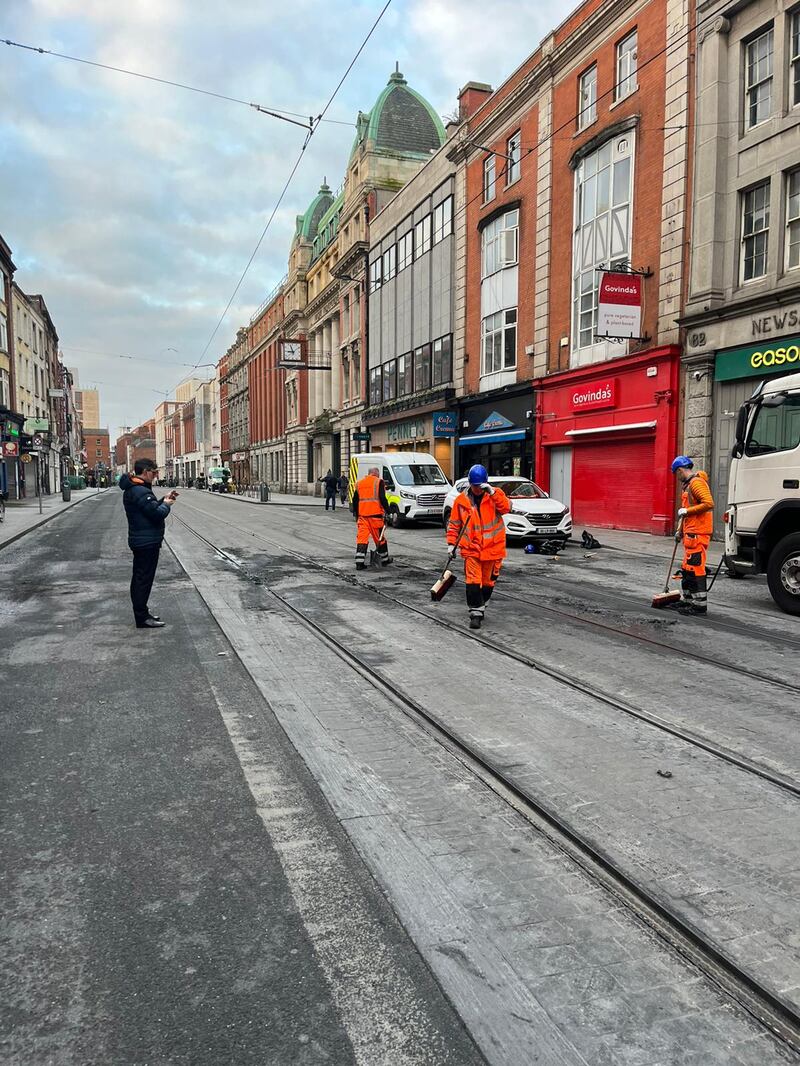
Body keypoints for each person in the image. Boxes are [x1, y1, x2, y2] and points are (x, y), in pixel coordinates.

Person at [446, 464, 511, 630]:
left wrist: (493, 492)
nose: (477, 489)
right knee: (473, 581)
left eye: (480, 486)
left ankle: (481, 605)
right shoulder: (461, 501)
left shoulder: (494, 495)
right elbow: (454, 524)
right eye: (475, 486)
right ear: (470, 484)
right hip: (471, 549)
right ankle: (476, 613)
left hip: (493, 549)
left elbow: (506, 508)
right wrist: (451, 544)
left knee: (488, 582)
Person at [120, 458, 178, 629]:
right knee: (142, 579)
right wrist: (166, 505)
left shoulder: (137, 489)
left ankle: (143, 613)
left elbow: (149, 508)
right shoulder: (139, 491)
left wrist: (161, 501)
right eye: (153, 472)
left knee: (141, 578)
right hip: (146, 542)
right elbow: (156, 514)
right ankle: (142, 617)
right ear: (145, 472)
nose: (154, 476)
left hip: (143, 540)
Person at [671, 455, 714, 616]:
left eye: (677, 473)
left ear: (681, 470)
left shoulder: (696, 483)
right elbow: (686, 515)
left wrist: (687, 511)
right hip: (690, 534)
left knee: (696, 569)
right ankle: (688, 601)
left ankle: (699, 605)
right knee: (687, 569)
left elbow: (709, 503)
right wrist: (679, 531)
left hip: (698, 534)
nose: (677, 477)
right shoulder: (688, 486)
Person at [352, 466, 392, 570]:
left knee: (362, 538)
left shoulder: (359, 483)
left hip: (363, 517)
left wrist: (356, 515)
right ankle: (384, 559)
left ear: (369, 473)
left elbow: (355, 500)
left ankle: (359, 563)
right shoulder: (379, 482)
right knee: (380, 539)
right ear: (376, 474)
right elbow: (383, 498)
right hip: (375, 517)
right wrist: (389, 512)